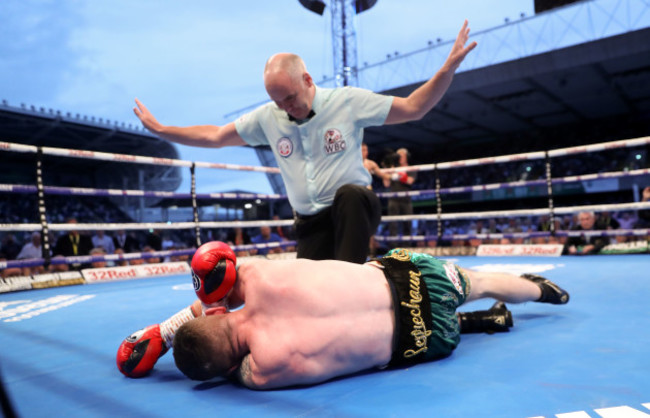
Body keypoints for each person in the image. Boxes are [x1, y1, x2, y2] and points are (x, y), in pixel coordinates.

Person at [133, 21, 477, 264]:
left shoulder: (347, 101)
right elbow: (215, 135)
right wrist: (164, 130)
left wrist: (446, 70)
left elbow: (414, 108)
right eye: (277, 100)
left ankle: (353, 283)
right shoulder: (269, 117)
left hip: (355, 210)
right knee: (309, 292)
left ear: (308, 79)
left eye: (290, 97)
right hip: (311, 223)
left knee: (351, 196)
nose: (286, 107)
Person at [116, 241, 569, 387]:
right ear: (215, 314)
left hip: (424, 340)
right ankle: (540, 290)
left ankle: (477, 323)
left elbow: (228, 361)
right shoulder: (257, 278)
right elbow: (217, 278)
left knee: (390, 333)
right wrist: (166, 331)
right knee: (480, 281)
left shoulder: (263, 370)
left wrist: (207, 361)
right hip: (413, 278)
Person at [384, 148, 417, 244]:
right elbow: (386, 184)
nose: (399, 158)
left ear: (406, 157)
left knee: (407, 224)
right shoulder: (392, 169)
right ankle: (393, 249)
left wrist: (397, 174)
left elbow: (410, 181)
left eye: (401, 156)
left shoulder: (410, 169)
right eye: (398, 156)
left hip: (406, 200)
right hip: (393, 199)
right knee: (392, 224)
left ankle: (407, 249)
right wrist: (387, 171)